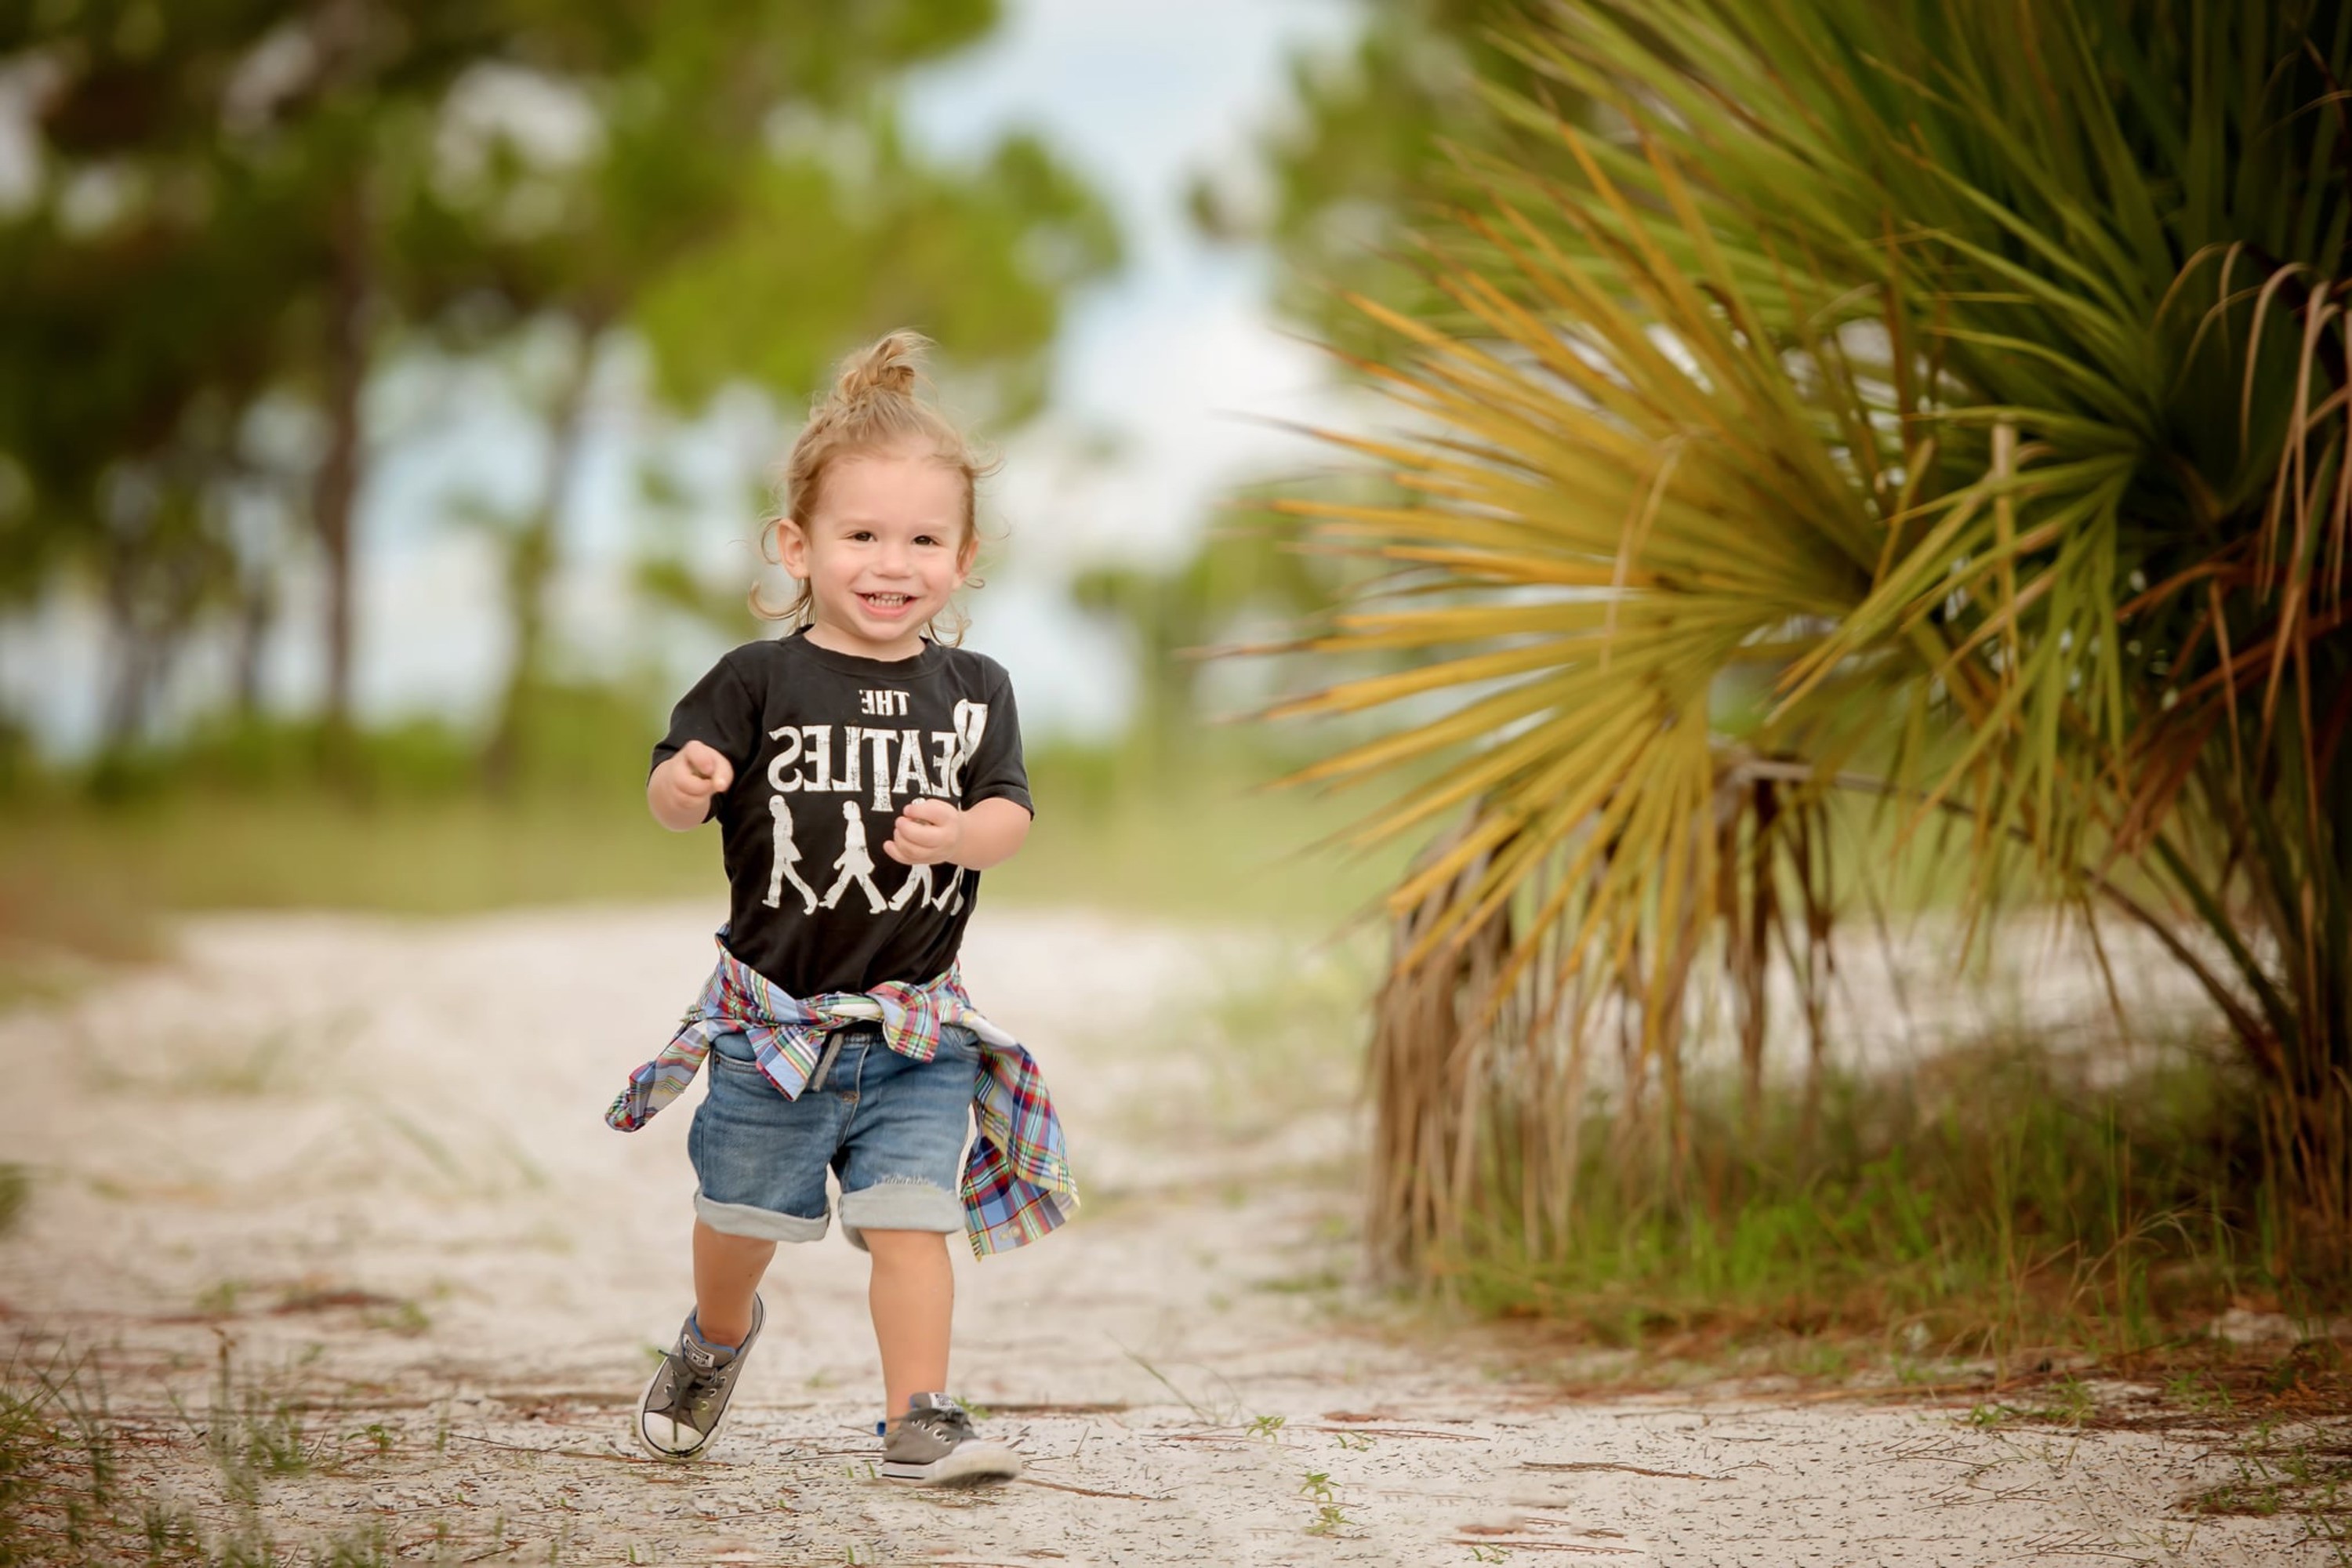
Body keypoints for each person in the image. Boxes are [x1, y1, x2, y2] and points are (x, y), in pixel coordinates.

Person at [605, 331, 1076, 1486]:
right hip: (774, 1030)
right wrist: (688, 784)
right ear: (798, 544)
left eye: (923, 540)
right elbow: (672, 798)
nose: (890, 562)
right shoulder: (757, 680)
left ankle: (921, 1414)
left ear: (964, 557)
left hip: (914, 1030)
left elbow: (1011, 817)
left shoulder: (977, 692)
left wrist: (966, 836)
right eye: (861, 535)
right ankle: (716, 1337)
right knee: (740, 1223)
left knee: (913, 1220)